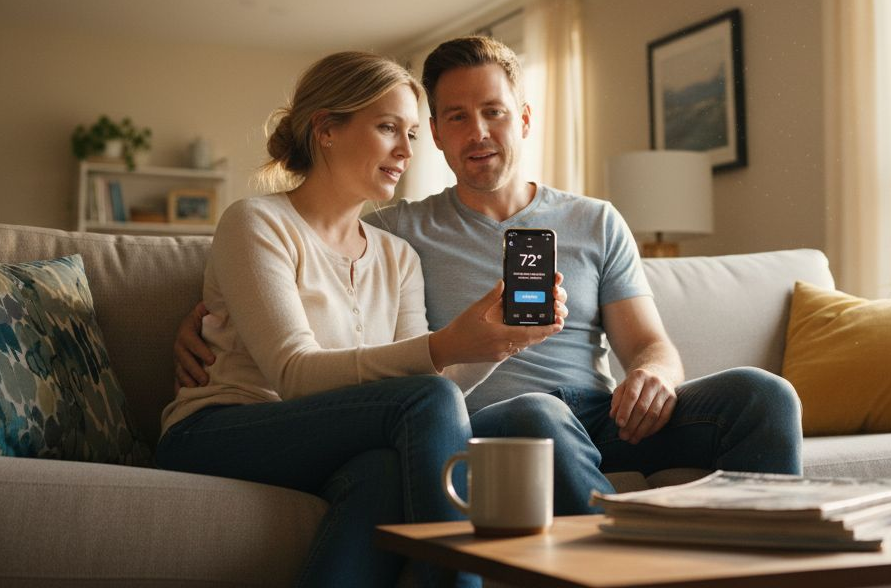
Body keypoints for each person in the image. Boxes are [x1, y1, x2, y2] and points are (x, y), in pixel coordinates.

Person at [174, 37, 801, 517]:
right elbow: (314, 269)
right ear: (441, 141)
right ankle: (623, 559)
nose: (477, 132)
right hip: (501, 419)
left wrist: (653, 377)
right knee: (535, 414)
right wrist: (208, 320)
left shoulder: (595, 220)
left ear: (523, 119)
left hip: (603, 412)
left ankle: (771, 569)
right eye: (453, 118)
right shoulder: (398, 231)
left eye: (493, 112)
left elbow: (650, 344)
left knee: (763, 394)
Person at [156, 51, 566, 588]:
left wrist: (495, 344)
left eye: (413, 134)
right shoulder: (256, 223)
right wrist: (445, 345)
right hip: (220, 430)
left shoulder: (398, 257)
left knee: (385, 471)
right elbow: (295, 373)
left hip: (331, 440)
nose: (405, 150)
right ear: (326, 129)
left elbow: (423, 387)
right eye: (387, 128)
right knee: (430, 402)